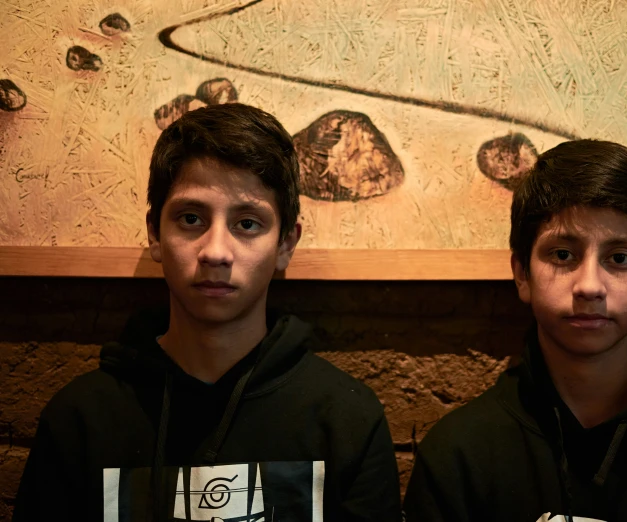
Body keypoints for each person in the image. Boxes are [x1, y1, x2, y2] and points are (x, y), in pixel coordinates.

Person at [14, 103, 401, 522]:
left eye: (248, 224)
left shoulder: (346, 420)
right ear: (155, 234)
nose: (215, 252)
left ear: (286, 244)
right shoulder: (80, 421)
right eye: (192, 218)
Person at [402, 140, 627, 522]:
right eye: (563, 255)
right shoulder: (460, 453)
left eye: (619, 258)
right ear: (522, 274)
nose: (589, 286)